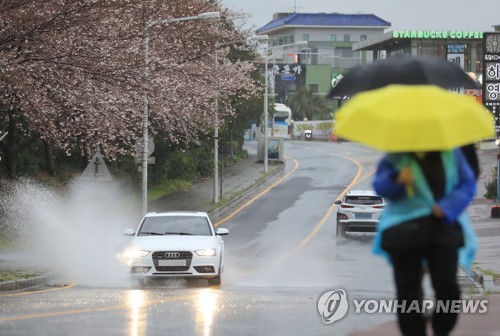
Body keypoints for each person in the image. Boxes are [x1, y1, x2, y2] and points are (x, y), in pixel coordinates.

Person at [372, 149, 477, 336]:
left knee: (448, 289)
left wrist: (447, 207)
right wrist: (397, 180)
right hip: (404, 231)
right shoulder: (396, 157)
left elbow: (467, 184)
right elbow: (380, 185)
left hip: (442, 228)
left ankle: (441, 329)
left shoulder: (451, 155)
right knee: (407, 292)